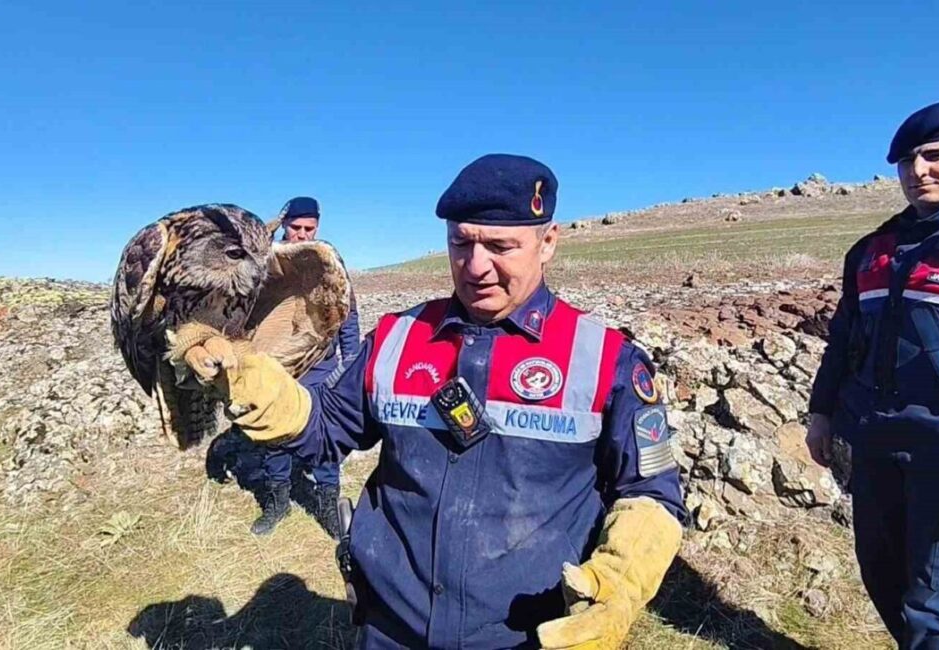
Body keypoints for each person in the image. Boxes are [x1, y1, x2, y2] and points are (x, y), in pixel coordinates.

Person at [172, 153, 686, 649]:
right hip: (390, 627)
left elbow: (651, 493)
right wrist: (249, 379)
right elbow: (327, 429)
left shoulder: (608, 361)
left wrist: (620, 585)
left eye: (500, 247)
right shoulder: (396, 338)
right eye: (461, 243)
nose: (476, 266)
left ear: (548, 242)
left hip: (528, 636)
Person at [806, 101, 939, 648]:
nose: (919, 170)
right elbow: (843, 342)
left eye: (935, 156)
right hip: (875, 445)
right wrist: (820, 413)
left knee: (936, 605)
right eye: (908, 160)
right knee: (883, 578)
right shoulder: (871, 251)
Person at [215, 196, 361, 538]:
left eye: (310, 228)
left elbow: (347, 318)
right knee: (274, 438)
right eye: (296, 227)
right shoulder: (263, 264)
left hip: (321, 372)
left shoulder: (327, 262)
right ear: (284, 226)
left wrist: (350, 364)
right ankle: (277, 503)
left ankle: (327, 504)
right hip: (274, 369)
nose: (302, 235)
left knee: (325, 439)